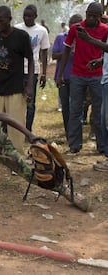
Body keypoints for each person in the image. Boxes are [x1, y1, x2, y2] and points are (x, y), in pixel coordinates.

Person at [56, 2, 108, 155]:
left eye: (94, 16)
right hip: (77, 74)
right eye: (89, 15)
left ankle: (102, 145)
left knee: (99, 112)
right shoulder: (76, 28)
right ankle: (74, 145)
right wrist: (60, 74)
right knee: (75, 110)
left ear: (100, 16)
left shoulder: (105, 30)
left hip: (97, 75)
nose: (91, 18)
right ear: (86, 13)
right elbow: (66, 50)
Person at [0, 5, 33, 155]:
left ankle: (17, 157)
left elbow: (31, 61)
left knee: (16, 125)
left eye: (0, 21)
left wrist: (29, 85)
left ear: (9, 20)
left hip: (15, 87)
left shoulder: (21, 37)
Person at [73, 14, 108, 171]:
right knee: (102, 117)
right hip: (100, 76)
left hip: (101, 78)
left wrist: (88, 39)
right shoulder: (77, 28)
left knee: (103, 118)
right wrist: (100, 61)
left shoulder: (104, 29)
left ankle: (104, 151)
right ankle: (105, 153)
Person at [15, 5, 50, 132]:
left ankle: (28, 129)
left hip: (32, 72)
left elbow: (44, 53)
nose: (27, 18)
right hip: (17, 71)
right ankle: (16, 128)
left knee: (30, 102)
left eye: (29, 16)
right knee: (17, 102)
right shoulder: (17, 29)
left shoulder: (42, 31)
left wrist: (44, 73)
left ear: (35, 16)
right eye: (25, 15)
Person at [52, 14, 83, 139]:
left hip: (79, 76)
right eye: (73, 24)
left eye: (79, 24)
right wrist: (68, 51)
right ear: (69, 25)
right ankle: (68, 132)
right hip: (64, 76)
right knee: (65, 106)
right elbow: (54, 55)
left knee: (76, 106)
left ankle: (75, 133)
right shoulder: (61, 38)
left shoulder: (84, 39)